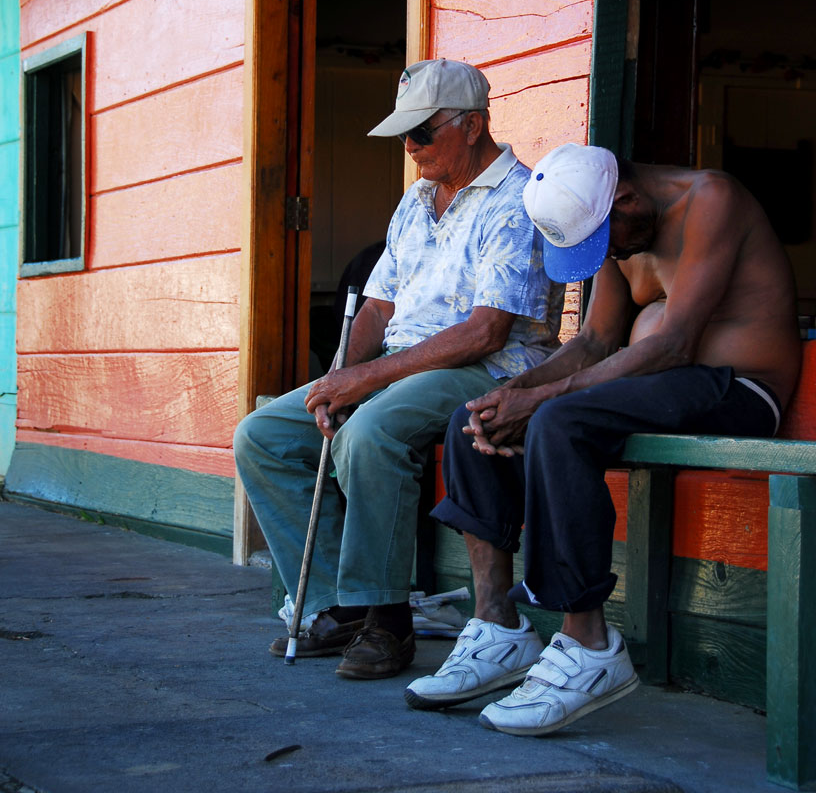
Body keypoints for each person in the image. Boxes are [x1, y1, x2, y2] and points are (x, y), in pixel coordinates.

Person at [405, 142, 800, 734]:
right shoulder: (613, 220)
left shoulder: (711, 200)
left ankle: (588, 645)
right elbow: (594, 342)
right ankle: (498, 630)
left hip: (738, 389)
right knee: (474, 417)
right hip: (660, 389)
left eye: (608, 239)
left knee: (560, 422)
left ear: (626, 198)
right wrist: (512, 396)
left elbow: (675, 344)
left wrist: (538, 401)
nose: (609, 254)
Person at [233, 59, 564, 680]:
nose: (410, 147)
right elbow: (380, 303)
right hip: (403, 363)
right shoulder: (415, 201)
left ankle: (386, 621)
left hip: (492, 367)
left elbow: (485, 330)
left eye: (422, 132)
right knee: (264, 435)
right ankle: (339, 605)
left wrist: (366, 383)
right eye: (404, 135)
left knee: (370, 432)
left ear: (472, 125)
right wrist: (341, 379)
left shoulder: (517, 200)